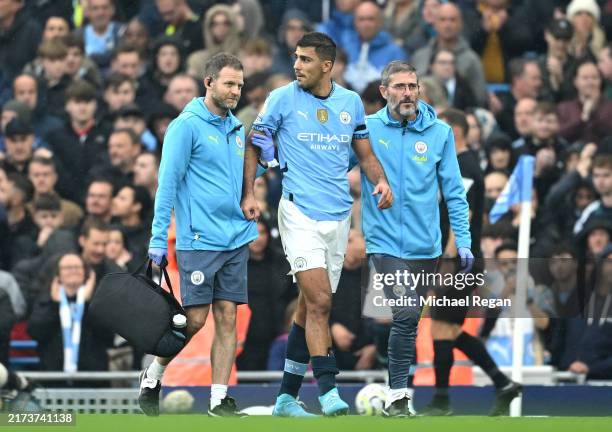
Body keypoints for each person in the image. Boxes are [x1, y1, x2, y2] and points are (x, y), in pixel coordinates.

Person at [241, 32, 392, 417]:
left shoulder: (350, 103)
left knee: (309, 307)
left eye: (306, 60)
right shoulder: (281, 98)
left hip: (339, 215)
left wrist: (380, 181)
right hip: (298, 213)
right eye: (296, 58)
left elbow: (364, 152)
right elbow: (255, 142)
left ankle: (286, 399)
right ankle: (328, 390)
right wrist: (249, 193)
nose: (297, 65)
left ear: (327, 65)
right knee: (322, 301)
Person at [142, 53, 257, 417]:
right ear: (208, 82)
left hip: (235, 238)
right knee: (194, 321)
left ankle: (219, 399)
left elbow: (232, 182)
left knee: (227, 317)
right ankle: (154, 374)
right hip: (198, 239)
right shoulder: (185, 126)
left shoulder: (237, 128)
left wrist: (252, 192)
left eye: (239, 84)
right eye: (229, 83)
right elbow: (167, 185)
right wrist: (158, 239)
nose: (236, 90)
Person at [355, 61, 468, 416]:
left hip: (427, 247)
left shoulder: (440, 133)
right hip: (384, 242)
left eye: (412, 86)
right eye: (400, 86)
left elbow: (453, 191)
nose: (407, 93)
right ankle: (398, 396)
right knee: (405, 313)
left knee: (409, 320)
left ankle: (399, 397)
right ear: (384, 91)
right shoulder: (367, 130)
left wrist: (462, 240)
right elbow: (331, 167)